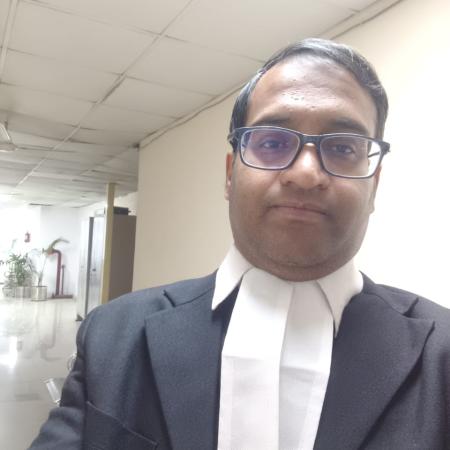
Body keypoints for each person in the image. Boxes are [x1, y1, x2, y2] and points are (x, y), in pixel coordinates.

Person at [30, 38, 450, 450]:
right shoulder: (113, 334)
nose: (306, 173)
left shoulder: (442, 354)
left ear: (373, 185)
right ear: (230, 175)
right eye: (272, 142)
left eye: (342, 148)